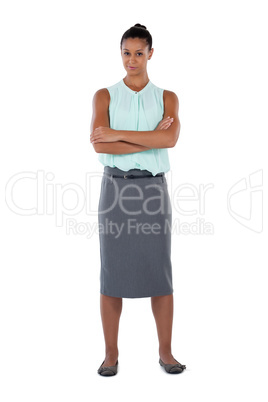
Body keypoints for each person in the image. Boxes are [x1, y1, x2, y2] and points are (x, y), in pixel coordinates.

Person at [90, 23, 186, 376]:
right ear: (121, 53)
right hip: (115, 190)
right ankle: (111, 354)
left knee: (159, 271)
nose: (132, 60)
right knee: (111, 273)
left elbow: (170, 140)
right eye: (126, 52)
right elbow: (100, 145)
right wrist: (148, 138)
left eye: (139, 53)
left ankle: (166, 352)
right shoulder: (105, 95)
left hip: (152, 192)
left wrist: (117, 134)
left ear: (150, 54)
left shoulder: (167, 98)